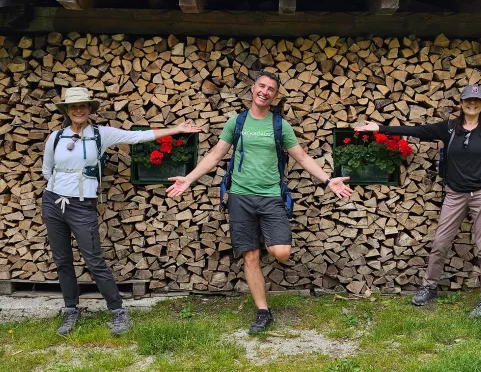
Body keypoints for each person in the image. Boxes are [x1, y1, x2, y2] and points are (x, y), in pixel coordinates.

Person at [167, 71, 353, 333]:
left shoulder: (279, 125)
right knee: (250, 256)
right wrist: (189, 179)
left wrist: (327, 179)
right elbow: (216, 155)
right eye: (261, 86)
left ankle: (267, 235)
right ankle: (263, 312)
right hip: (240, 197)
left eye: (271, 89)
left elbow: (301, 156)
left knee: (282, 252)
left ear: (275, 95)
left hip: (271, 197)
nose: (265, 91)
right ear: (253, 89)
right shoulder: (237, 122)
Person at [42, 87, 202, 336]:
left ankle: (118, 312)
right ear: (67, 111)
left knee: (94, 260)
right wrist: (58, 189)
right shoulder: (55, 137)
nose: (79, 110)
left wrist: (177, 129)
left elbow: (136, 137)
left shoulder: (100, 134)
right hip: (53, 202)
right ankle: (71, 310)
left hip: (82, 204)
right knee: (62, 260)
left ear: (90, 109)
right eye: (74, 107)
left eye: (83, 105)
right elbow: (47, 169)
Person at [355, 84, 481, 317]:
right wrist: (381, 128)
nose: (472, 104)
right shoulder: (449, 128)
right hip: (455, 193)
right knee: (440, 243)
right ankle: (429, 287)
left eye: (476, 100)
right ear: (461, 103)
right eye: (468, 100)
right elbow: (417, 130)